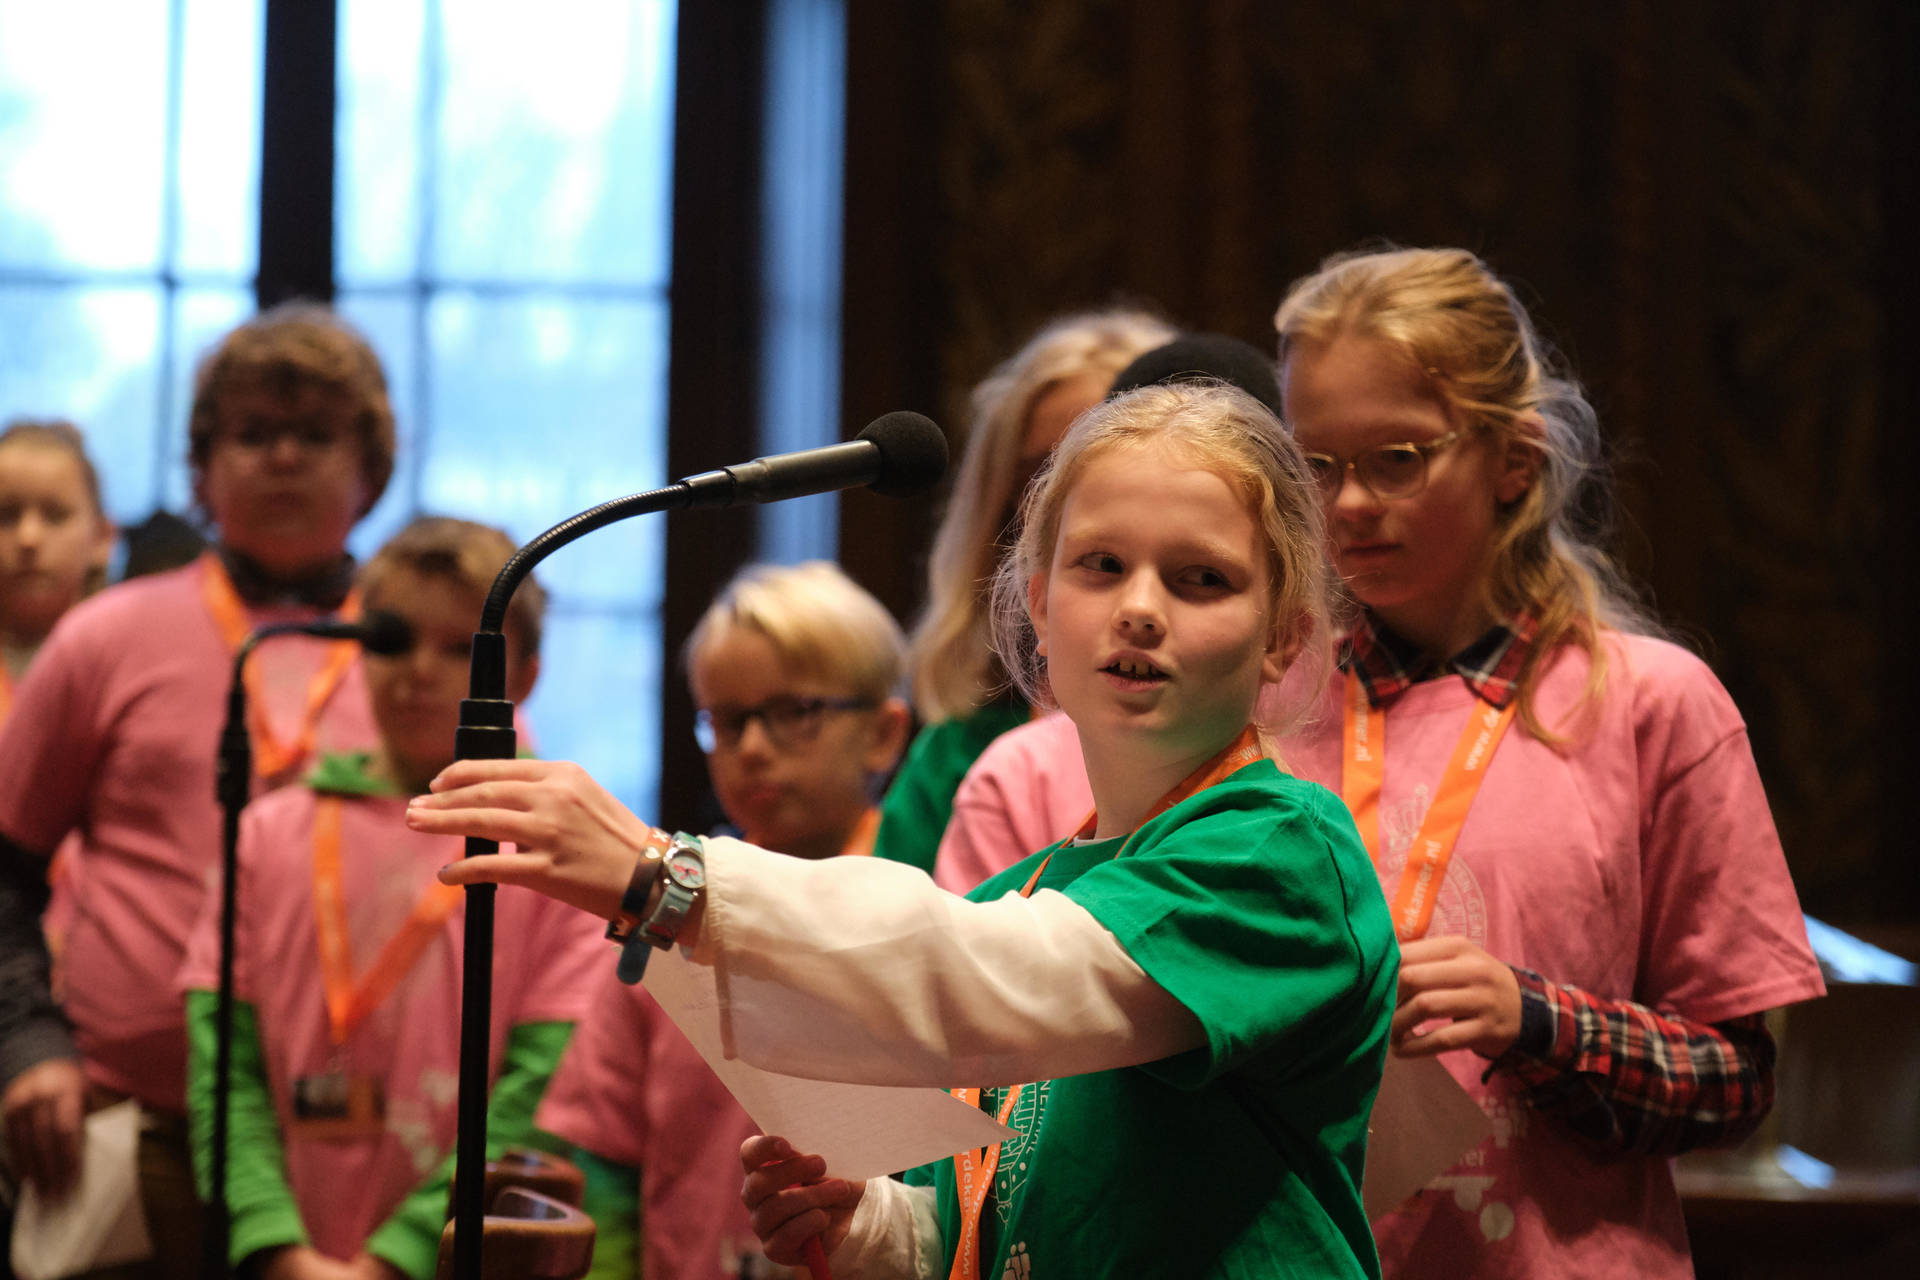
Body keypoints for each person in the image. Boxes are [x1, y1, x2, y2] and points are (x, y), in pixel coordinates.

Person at [928, 246, 1828, 1277]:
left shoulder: (1653, 704)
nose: (1348, 504)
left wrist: (1536, 1019)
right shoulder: (1234, 687)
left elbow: (1737, 1080)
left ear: (1514, 461)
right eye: (1314, 464)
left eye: (1397, 458)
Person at [410, 381, 1400, 1278]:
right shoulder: (1037, 882)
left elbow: (990, 976)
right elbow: (1013, 1220)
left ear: (1285, 636)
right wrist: (875, 1227)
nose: (1139, 609)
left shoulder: (1282, 847)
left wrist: (670, 875)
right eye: (1101, 565)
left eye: (1201, 580)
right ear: (1040, 604)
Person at [0, 304, 394, 1276]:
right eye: (252, 433)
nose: (284, 457)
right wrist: (28, 1041)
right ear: (201, 471)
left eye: (315, 434)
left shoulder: (420, 658)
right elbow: (3, 870)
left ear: (371, 469)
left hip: (366, 1142)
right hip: (131, 1129)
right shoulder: (104, 638)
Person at [179, 516, 603, 1280]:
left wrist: (398, 1258)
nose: (418, 671)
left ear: (526, 676)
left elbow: (541, 1092)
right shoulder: (269, 831)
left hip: (455, 1254)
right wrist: (274, 1245)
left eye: (458, 649)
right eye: (394, 639)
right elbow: (224, 1067)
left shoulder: (559, 850)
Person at [536, 560, 910, 1280]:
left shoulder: (933, 901)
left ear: (883, 734)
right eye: (728, 720)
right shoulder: (668, 915)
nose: (753, 748)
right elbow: (605, 1163)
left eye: (796, 712)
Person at [873, 309, 1174, 873]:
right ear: (1006, 502)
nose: (1076, 499)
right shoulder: (957, 755)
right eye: (1046, 471)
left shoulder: (1240, 735)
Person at [0, 419, 115, 719]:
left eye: (55, 515)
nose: (28, 538)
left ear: (102, 537)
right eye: (6, 516)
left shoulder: (124, 663)